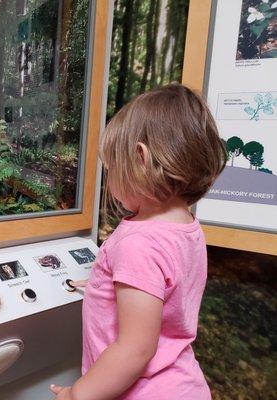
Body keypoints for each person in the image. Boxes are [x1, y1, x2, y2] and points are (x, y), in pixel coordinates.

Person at [50, 84, 226, 400]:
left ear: (141, 159)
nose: (110, 180)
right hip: (184, 386)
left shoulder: (138, 242)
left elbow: (134, 351)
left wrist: (76, 395)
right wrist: (101, 283)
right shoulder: (186, 227)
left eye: (111, 168)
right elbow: (160, 289)